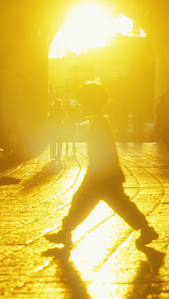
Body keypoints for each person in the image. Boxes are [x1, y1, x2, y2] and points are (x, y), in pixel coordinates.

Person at [45, 82, 159, 248]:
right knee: (117, 204)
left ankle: (66, 232)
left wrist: (93, 174)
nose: (81, 105)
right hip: (107, 173)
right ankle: (146, 229)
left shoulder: (99, 123)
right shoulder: (99, 121)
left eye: (83, 102)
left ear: (92, 103)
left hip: (102, 174)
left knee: (86, 201)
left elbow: (102, 152)